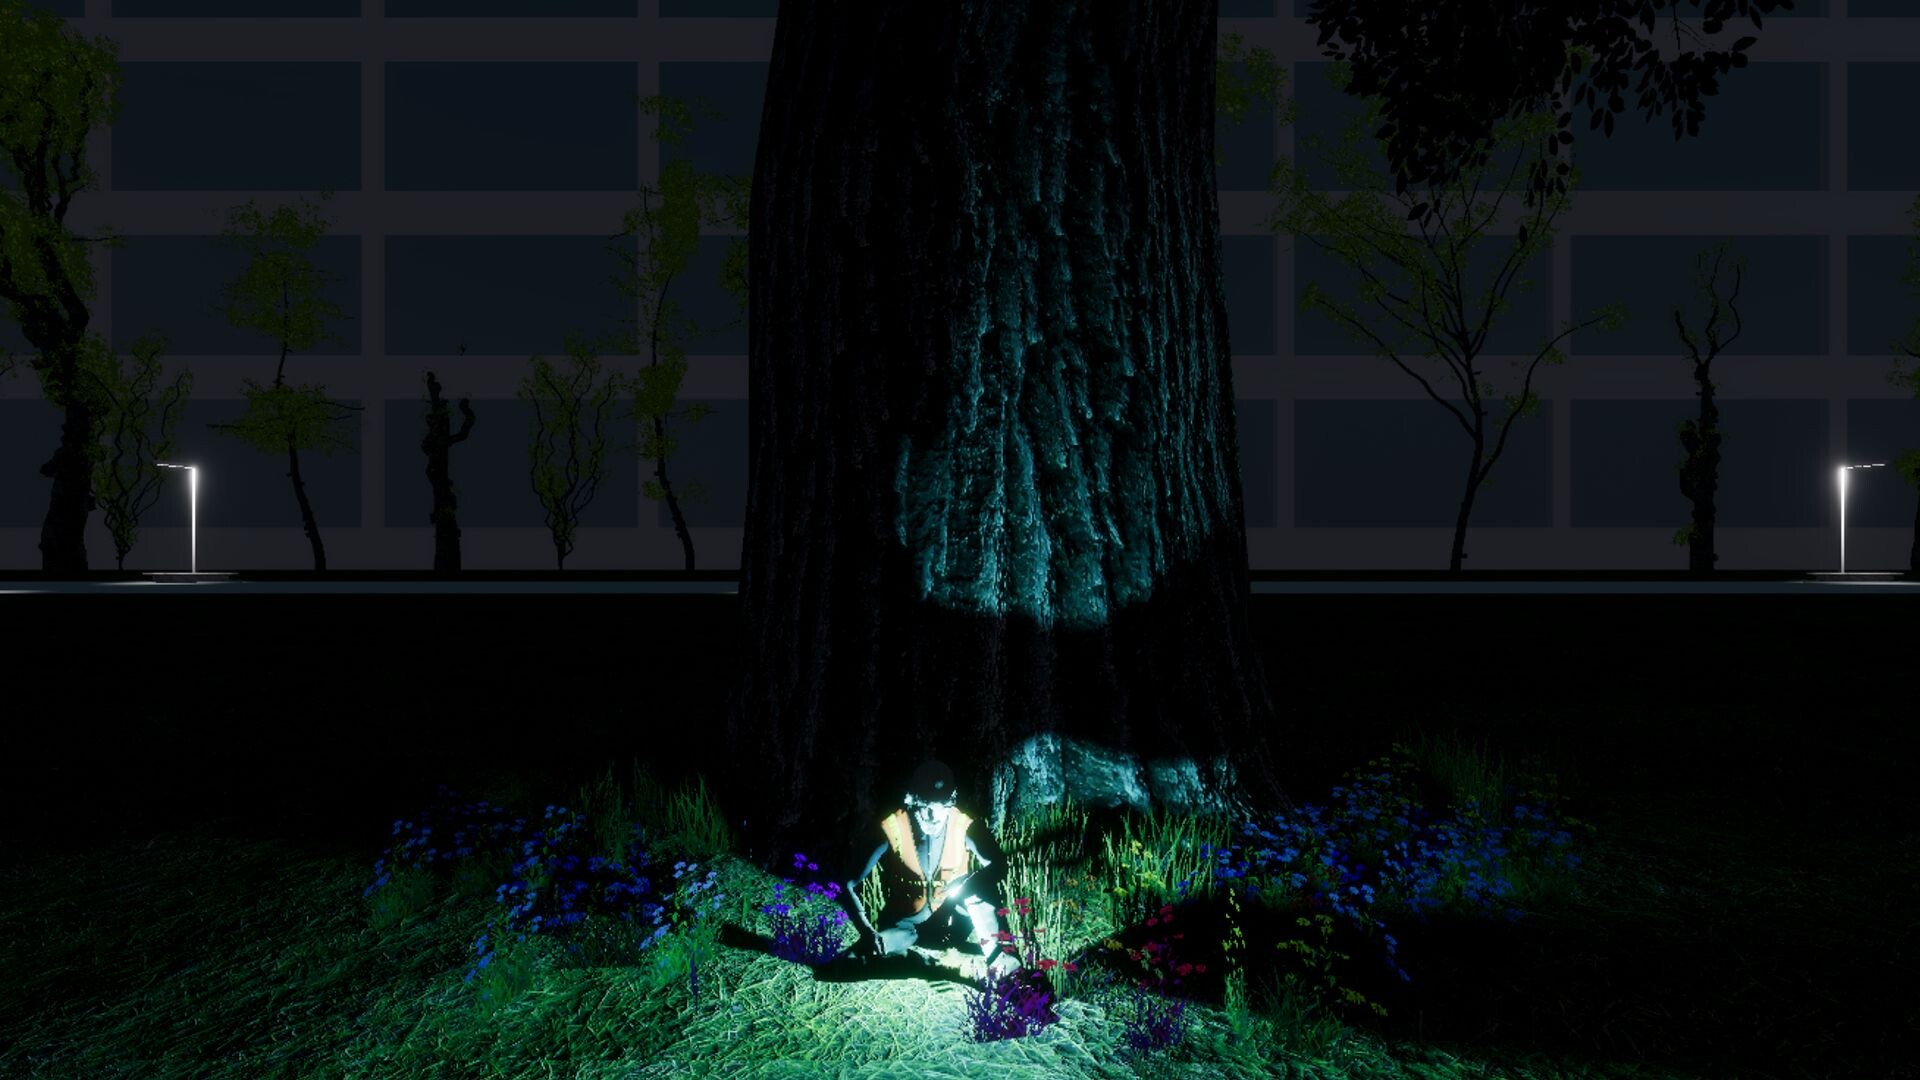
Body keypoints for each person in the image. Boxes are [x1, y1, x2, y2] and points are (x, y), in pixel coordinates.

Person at [836, 759, 1022, 979]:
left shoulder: (964, 824)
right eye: (925, 807)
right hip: (907, 926)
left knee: (979, 890)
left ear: (951, 802)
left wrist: (966, 884)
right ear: (911, 800)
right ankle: (924, 961)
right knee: (851, 962)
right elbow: (846, 883)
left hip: (954, 921)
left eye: (941, 807)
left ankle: (1003, 963)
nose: (933, 816)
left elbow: (999, 865)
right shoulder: (892, 826)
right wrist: (866, 930)